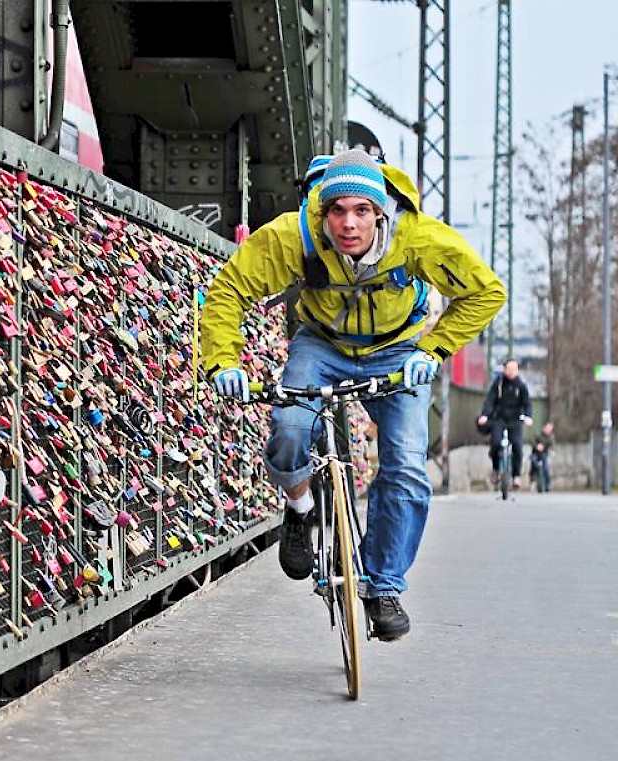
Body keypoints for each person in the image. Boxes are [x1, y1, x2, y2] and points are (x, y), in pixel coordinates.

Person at [200, 149, 505, 641]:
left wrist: (433, 349)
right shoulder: (292, 236)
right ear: (322, 211)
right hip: (322, 345)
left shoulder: (420, 239)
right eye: (337, 210)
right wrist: (224, 361)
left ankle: (383, 585)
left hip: (398, 351)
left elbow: (487, 291)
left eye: (362, 211)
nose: (348, 223)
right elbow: (229, 290)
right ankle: (299, 508)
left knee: (406, 465)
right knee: (290, 429)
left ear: (380, 212)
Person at [476, 359, 533, 488]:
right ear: (504, 369)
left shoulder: (521, 386)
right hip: (499, 418)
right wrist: (485, 415)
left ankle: (516, 476)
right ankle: (496, 469)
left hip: (515, 419)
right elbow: (490, 400)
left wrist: (528, 417)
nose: (512, 372)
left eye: (515, 369)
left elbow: (527, 403)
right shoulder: (498, 384)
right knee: (495, 443)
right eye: (509, 369)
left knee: (518, 446)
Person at [528, 420, 555, 490]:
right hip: (535, 454)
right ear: (544, 427)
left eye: (550, 429)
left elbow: (552, 445)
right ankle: (533, 480)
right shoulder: (538, 434)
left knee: (545, 468)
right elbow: (532, 441)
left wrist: (552, 451)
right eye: (547, 428)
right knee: (534, 463)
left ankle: (547, 484)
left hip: (544, 455)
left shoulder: (550, 437)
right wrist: (537, 446)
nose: (548, 430)